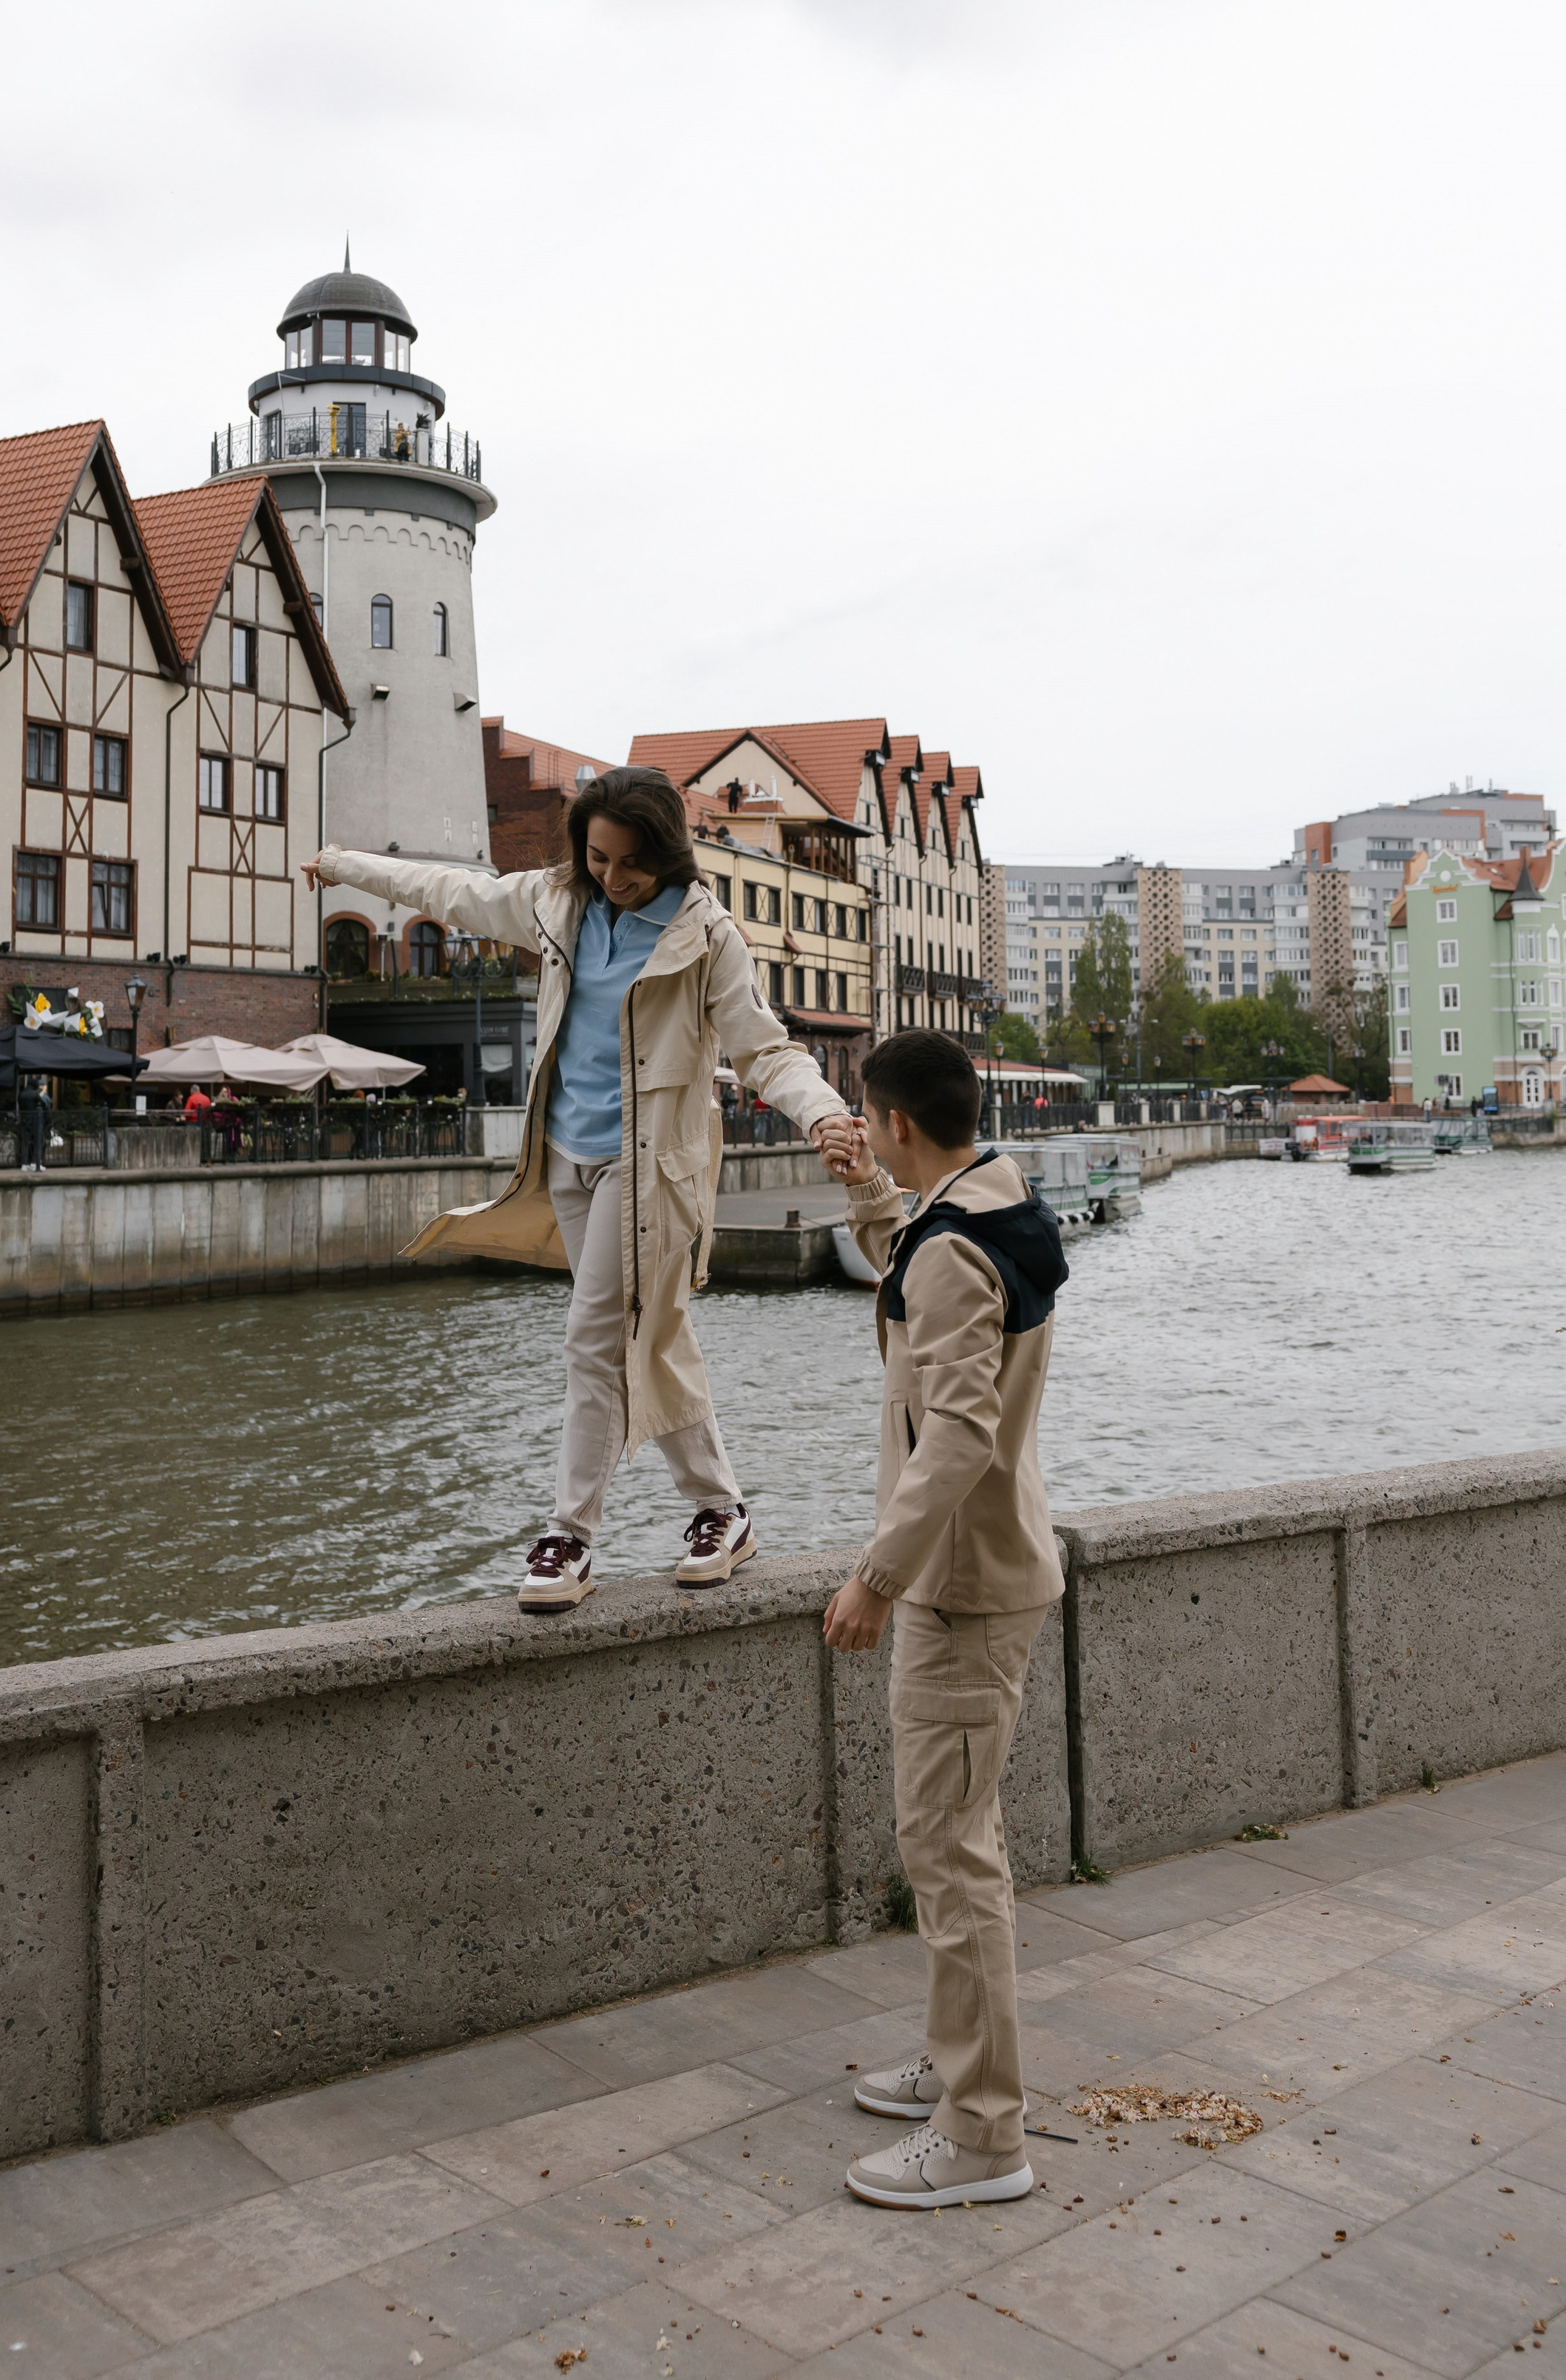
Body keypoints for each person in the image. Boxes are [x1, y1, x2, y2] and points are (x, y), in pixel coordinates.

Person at [302, 765, 849, 1611]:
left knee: (595, 1335)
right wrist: (344, 863)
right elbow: (450, 888)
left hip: (651, 1165)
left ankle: (568, 1537)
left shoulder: (706, 936)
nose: (614, 877)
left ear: (667, 854)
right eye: (598, 857)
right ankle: (722, 1509)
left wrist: (822, 1115)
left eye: (632, 862)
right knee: (649, 1334)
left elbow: (764, 1049)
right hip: (566, 1155)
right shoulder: (558, 901)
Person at [818, 1028, 1067, 2216]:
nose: (862, 1131)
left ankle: (980, 2134)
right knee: (960, 1839)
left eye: (867, 1121)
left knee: (952, 1855)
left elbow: (958, 1431)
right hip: (983, 1572)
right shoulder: (987, 1203)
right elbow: (917, 1256)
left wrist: (876, 1572)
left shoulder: (957, 1248)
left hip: (960, 1588)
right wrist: (866, 1186)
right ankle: (957, 2063)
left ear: (900, 1121)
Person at [16, 1070, 51, 1172]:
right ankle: (35, 1163)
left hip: (24, 1120)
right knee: (38, 1141)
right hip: (36, 1121)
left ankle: (24, 1164)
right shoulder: (35, 1094)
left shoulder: (21, 1094)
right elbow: (44, 1104)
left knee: (25, 1142)